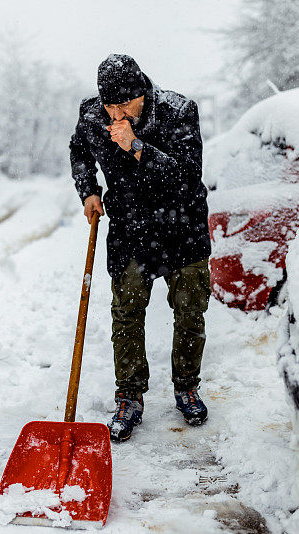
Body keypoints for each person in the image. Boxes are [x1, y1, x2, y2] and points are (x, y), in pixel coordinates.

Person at [69, 54, 212, 442]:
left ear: (142, 94)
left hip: (183, 228)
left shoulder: (179, 111)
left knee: (189, 309)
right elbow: (79, 151)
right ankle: (129, 396)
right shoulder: (92, 115)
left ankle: (186, 386)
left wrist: (137, 147)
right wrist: (89, 191)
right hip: (131, 230)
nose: (115, 114)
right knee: (127, 313)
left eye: (123, 105)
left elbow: (187, 177)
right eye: (108, 106)